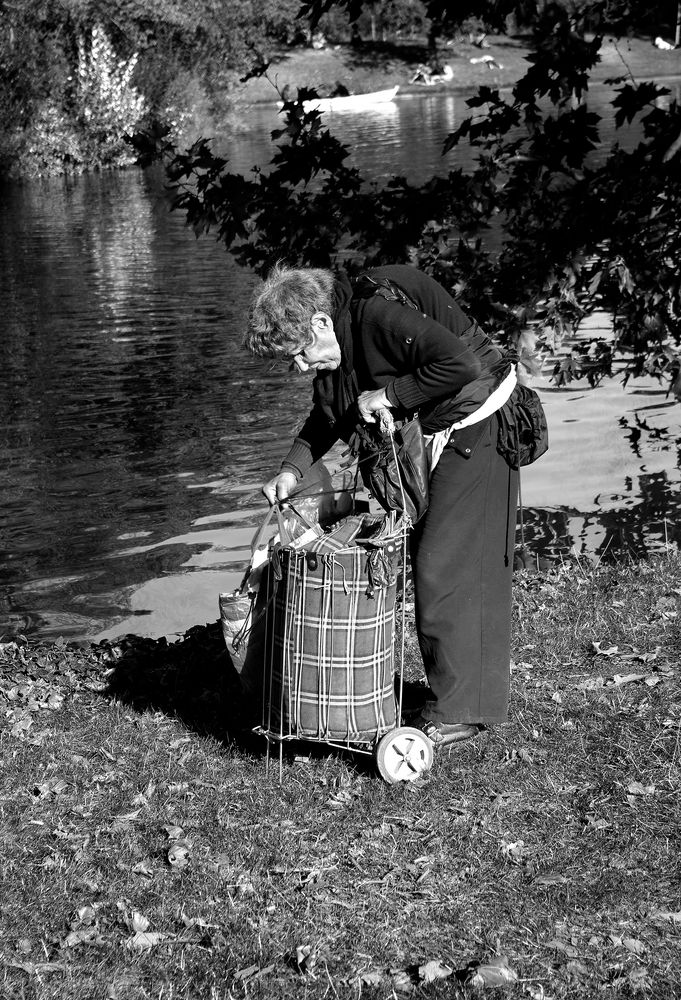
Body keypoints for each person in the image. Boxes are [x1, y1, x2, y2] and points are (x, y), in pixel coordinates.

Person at [243, 263, 519, 749]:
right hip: (444, 429)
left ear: (321, 323)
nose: (302, 368)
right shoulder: (339, 345)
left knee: (445, 566)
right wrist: (289, 470)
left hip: (480, 422)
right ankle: (458, 695)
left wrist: (390, 394)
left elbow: (461, 364)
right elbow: (329, 413)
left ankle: (461, 710)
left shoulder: (376, 319)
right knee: (436, 562)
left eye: (302, 354)